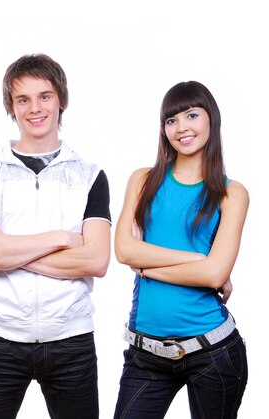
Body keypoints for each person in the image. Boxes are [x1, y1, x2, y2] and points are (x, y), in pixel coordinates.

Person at [0, 53, 111, 419]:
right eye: (22, 99)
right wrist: (62, 237)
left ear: (61, 100)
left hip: (71, 341)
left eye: (44, 96)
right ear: (10, 108)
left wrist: (7, 245)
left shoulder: (90, 175)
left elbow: (95, 261)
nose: (35, 108)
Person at [113, 81, 248, 418]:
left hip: (213, 352)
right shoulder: (143, 180)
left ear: (211, 120)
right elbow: (124, 250)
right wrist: (198, 259)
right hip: (146, 354)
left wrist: (147, 266)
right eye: (171, 120)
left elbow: (215, 274)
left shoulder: (233, 194)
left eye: (191, 115)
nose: (181, 127)